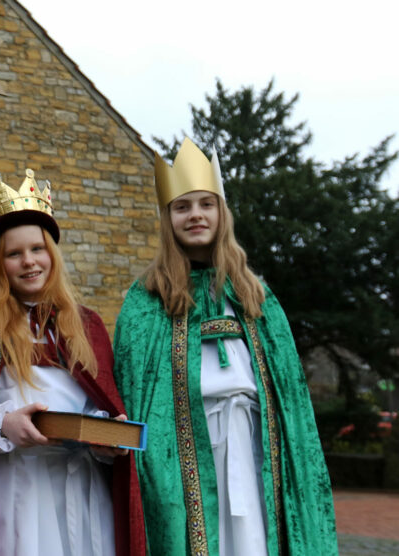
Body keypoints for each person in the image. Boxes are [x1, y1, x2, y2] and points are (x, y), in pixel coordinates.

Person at [113, 138, 337, 555]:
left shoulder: (256, 296)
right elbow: (135, 392)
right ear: (167, 219)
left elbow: (292, 400)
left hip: (255, 446)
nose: (195, 215)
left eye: (205, 204)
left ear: (221, 213)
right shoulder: (146, 299)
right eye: (182, 207)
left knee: (253, 540)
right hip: (184, 456)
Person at [0, 170, 145, 556]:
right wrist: (4, 425)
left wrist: (107, 439)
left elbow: (101, 401)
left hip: (83, 487)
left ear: (52, 254)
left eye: (37, 249)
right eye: (14, 254)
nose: (29, 262)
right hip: (18, 484)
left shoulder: (87, 325)